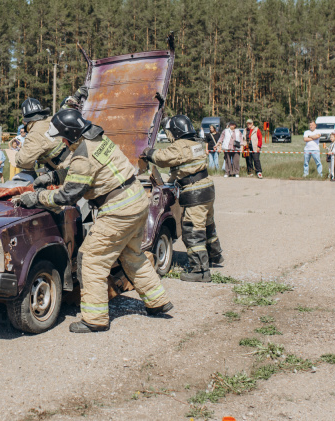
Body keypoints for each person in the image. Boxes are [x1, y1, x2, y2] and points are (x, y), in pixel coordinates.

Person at [14, 109, 172, 333]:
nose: (62, 141)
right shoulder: (97, 139)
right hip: (136, 201)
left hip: (118, 210)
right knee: (132, 255)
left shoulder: (81, 156)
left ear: (69, 135)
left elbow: (67, 195)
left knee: (91, 259)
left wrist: (36, 197)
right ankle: (158, 301)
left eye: (62, 137)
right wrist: (53, 176)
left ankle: (95, 318)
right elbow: (91, 170)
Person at [142, 115, 223, 282]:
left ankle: (200, 271)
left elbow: (163, 158)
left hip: (195, 193)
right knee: (208, 225)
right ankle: (215, 256)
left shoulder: (180, 146)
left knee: (193, 230)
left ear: (176, 131)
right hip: (207, 188)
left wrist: (148, 152)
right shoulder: (196, 144)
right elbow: (182, 167)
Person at [15, 98, 70, 178]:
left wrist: (17, 155)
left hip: (64, 167)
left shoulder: (34, 134)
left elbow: (24, 161)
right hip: (76, 158)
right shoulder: (52, 119)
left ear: (25, 119)